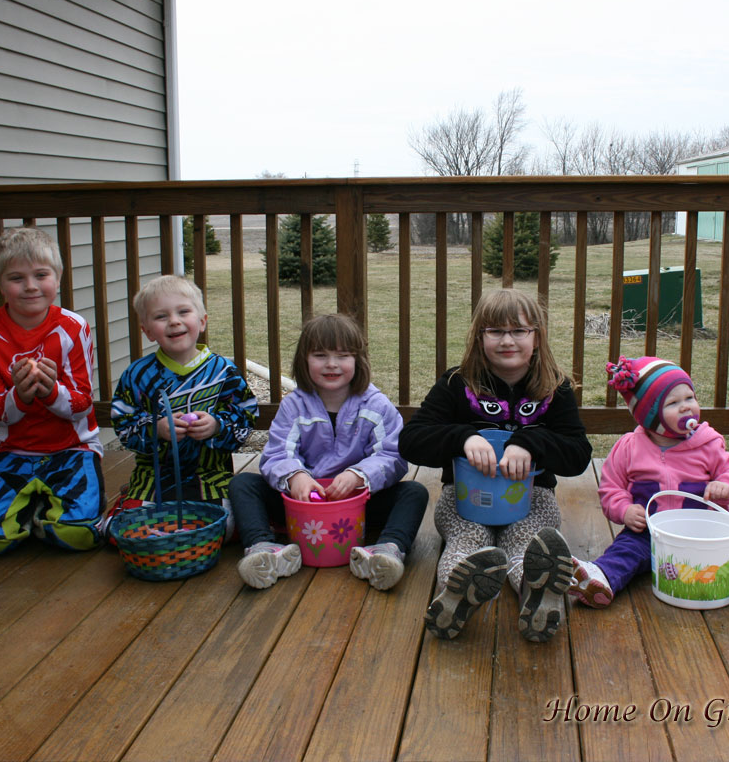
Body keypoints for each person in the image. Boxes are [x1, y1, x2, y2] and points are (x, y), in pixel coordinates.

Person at [400, 289, 592, 643]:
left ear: (537, 337)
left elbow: (578, 454)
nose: (507, 340)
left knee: (528, 543)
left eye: (519, 330)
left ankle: (537, 595)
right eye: (496, 331)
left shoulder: (556, 388)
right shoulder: (456, 384)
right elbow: (411, 441)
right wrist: (463, 437)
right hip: (464, 499)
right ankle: (456, 594)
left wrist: (531, 441)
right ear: (480, 337)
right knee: (466, 541)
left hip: (531, 498)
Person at [569, 356, 729, 610]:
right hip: (649, 533)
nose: (686, 407)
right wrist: (624, 510)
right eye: (673, 403)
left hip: (704, 534)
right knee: (625, 552)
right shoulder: (629, 448)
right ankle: (600, 578)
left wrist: (726, 486)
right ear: (649, 415)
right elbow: (611, 488)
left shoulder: (707, 443)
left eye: (690, 398)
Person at [229, 313, 428, 591]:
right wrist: (296, 476)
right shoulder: (294, 406)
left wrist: (359, 475)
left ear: (358, 361)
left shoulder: (376, 405)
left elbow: (392, 456)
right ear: (304, 361)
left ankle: (386, 551)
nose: (331, 364)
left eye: (343, 355)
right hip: (303, 506)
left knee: (414, 492)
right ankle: (264, 549)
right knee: (243, 483)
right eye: (320, 355)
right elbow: (277, 454)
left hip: (359, 506)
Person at [0, 228, 103, 556]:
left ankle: (37, 508)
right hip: (11, 450)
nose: (30, 286)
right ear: (0, 285)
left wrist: (51, 392)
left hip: (73, 447)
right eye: (16, 278)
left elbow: (82, 403)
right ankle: (35, 506)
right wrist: (20, 396)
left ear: (58, 278)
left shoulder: (73, 327)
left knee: (79, 534)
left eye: (41, 275)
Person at [109, 275, 257, 538]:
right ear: (147, 331)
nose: (174, 321)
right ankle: (133, 504)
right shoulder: (137, 375)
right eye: (161, 316)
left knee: (228, 525)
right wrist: (156, 429)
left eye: (183, 312)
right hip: (154, 477)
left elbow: (246, 414)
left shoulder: (223, 371)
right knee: (122, 530)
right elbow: (123, 423)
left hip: (211, 476)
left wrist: (217, 426)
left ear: (202, 321)